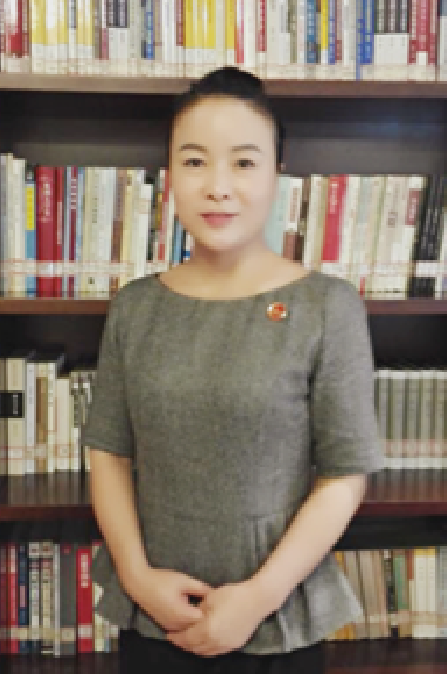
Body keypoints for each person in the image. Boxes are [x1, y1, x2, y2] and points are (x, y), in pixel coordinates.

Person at [83, 66, 384, 674]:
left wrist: (258, 597)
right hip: (155, 617)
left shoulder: (328, 306)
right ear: (170, 177)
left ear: (277, 175)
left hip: (278, 621)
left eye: (244, 162)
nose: (218, 187)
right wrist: (136, 577)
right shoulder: (135, 306)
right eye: (195, 162)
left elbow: (344, 475)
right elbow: (108, 452)